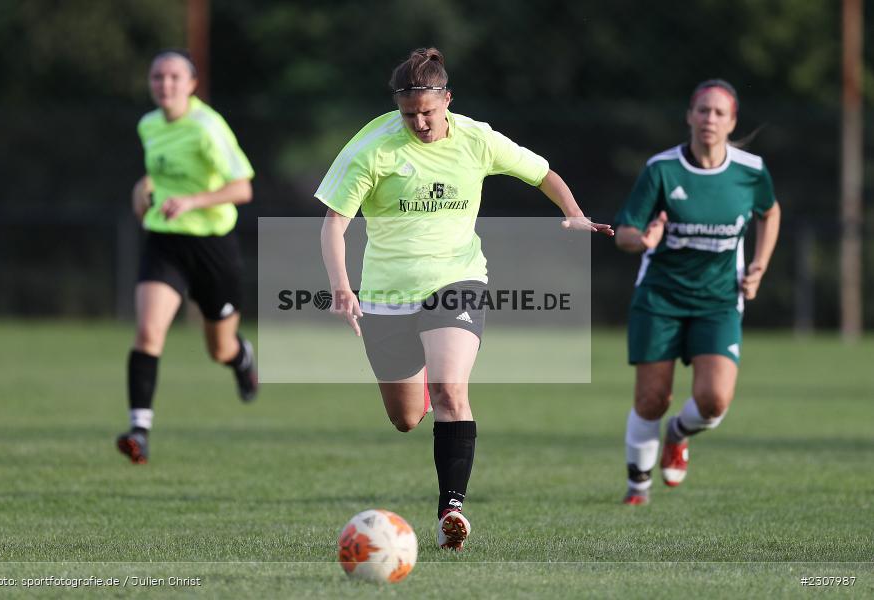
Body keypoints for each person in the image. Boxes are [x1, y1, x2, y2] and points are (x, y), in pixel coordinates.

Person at [317, 48, 613, 549]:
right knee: (406, 418)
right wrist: (342, 286)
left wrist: (575, 212)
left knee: (452, 391)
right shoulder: (373, 147)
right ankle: (428, 385)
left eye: (428, 113)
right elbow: (335, 224)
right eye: (409, 115)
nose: (421, 124)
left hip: (458, 279)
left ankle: (449, 511)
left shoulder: (477, 138)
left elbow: (541, 172)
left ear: (447, 100)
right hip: (387, 291)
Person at [614, 79, 781, 504]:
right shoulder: (662, 169)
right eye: (702, 111)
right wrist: (643, 240)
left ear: (732, 122)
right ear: (689, 116)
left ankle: (680, 433)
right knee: (653, 399)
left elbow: (770, 211)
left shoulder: (750, 171)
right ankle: (637, 488)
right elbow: (625, 233)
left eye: (719, 113)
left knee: (714, 400)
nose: (709, 119)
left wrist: (759, 265)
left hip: (719, 299)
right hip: (660, 299)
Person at [116, 50, 258, 464]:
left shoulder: (207, 127)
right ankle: (139, 431)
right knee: (147, 332)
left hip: (213, 245)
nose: (165, 84)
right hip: (165, 243)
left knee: (219, 348)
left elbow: (242, 188)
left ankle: (241, 357)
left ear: (192, 84)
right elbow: (156, 177)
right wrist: (143, 192)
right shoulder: (148, 125)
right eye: (158, 77)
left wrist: (193, 201)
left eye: (175, 77)